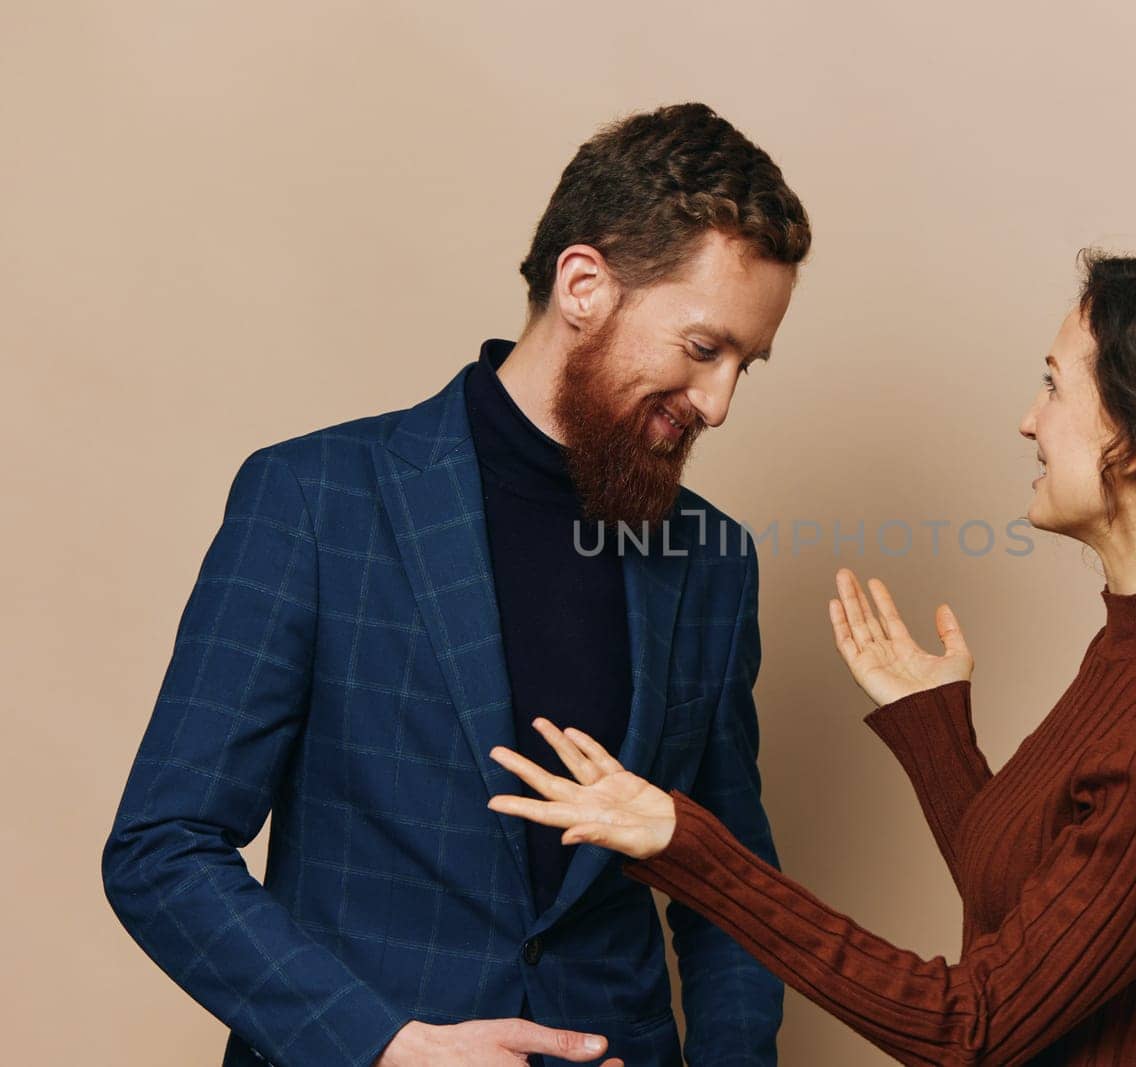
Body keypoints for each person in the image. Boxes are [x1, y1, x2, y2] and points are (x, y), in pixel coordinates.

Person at [485, 251, 1136, 1065]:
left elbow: (977, 1028)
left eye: (1054, 384)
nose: (1029, 419)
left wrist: (690, 846)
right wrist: (936, 731)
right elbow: (1036, 911)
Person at [102, 102, 810, 1067]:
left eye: (745, 364)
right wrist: (385, 1043)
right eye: (702, 349)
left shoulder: (713, 558)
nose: (720, 404)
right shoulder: (314, 499)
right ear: (584, 285)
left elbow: (734, 889)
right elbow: (162, 848)